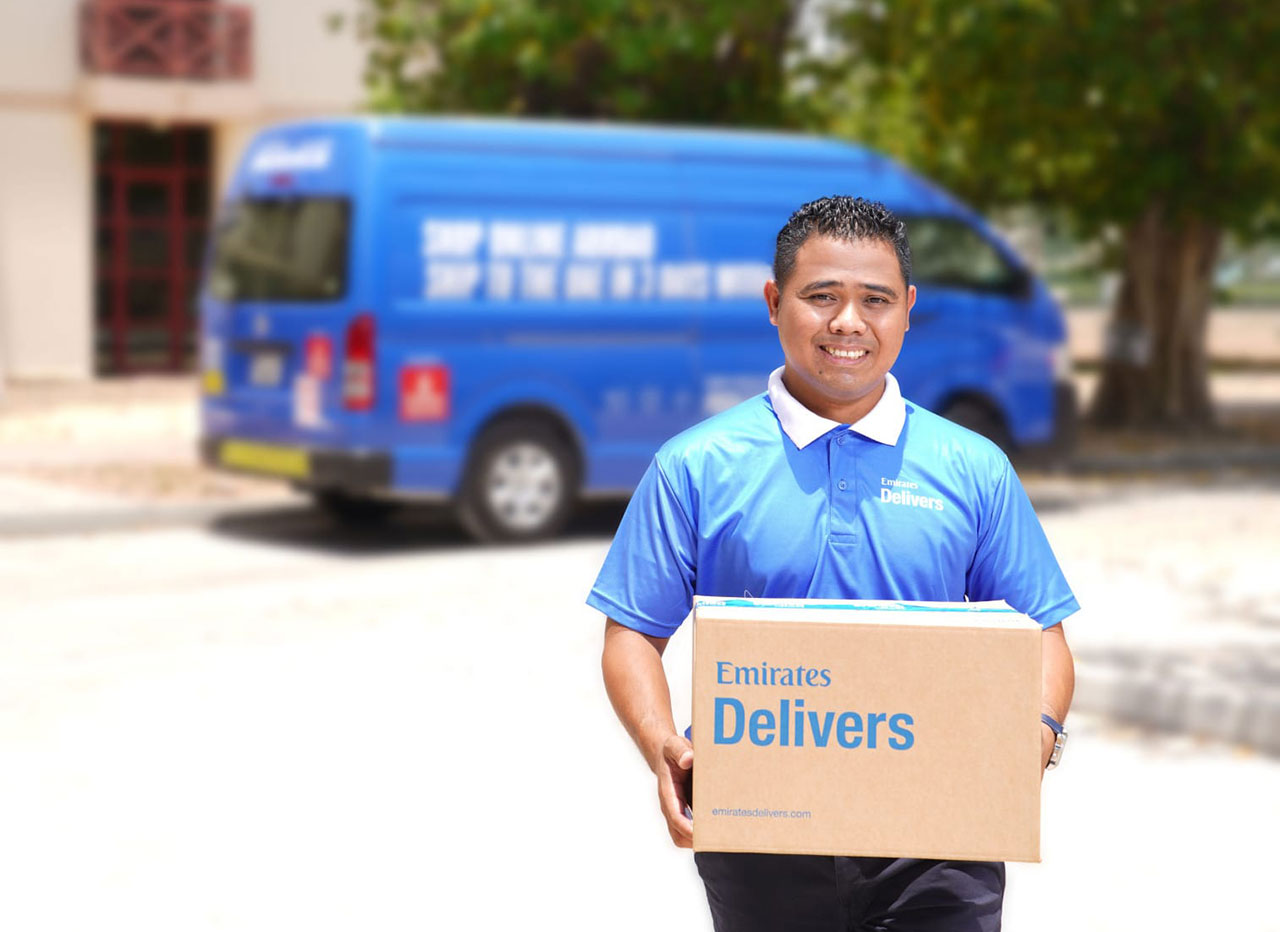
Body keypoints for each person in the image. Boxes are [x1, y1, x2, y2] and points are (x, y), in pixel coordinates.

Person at [588, 196, 1076, 932]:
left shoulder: (974, 468)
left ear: (908, 310)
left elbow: (1043, 632)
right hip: (763, 831)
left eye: (875, 300)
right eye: (822, 296)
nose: (848, 322)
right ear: (773, 302)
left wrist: (1036, 734)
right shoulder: (695, 466)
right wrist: (664, 747)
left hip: (941, 835)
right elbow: (631, 632)